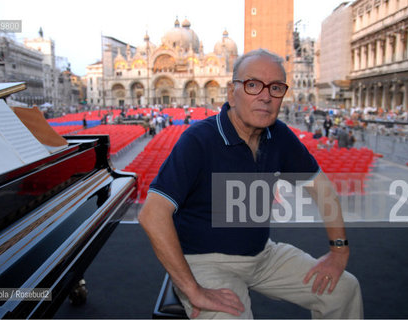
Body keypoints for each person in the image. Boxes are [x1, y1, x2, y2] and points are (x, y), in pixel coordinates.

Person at [139, 49, 362, 319]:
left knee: (344, 289)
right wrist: (193, 289)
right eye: (253, 85)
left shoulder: (278, 135)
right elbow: (152, 214)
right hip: (205, 261)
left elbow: (322, 189)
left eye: (276, 88)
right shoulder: (198, 139)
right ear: (232, 94)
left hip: (262, 254)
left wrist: (340, 251)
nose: (266, 96)